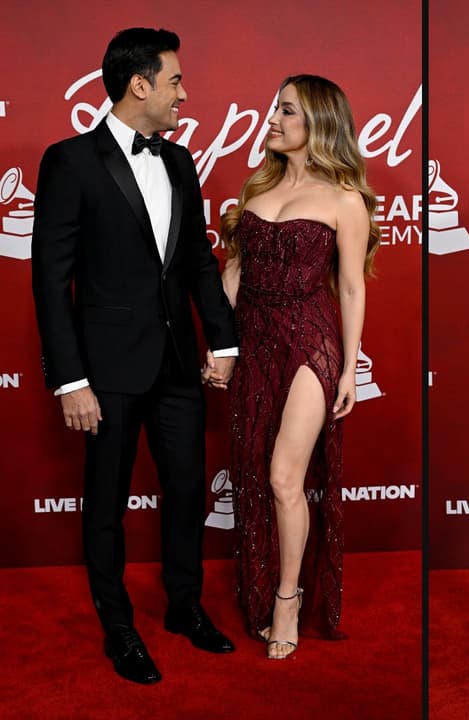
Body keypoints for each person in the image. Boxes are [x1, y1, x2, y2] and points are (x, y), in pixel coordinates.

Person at [31, 27, 239, 685]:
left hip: (179, 362)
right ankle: (117, 628)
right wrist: (70, 379)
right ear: (139, 84)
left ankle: (184, 607)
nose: (185, 92)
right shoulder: (70, 161)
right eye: (175, 80)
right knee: (107, 503)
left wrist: (225, 340)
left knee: (185, 493)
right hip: (105, 372)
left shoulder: (179, 161)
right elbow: (49, 277)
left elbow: (200, 263)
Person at [218, 74, 377, 659]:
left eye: (287, 110)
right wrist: (221, 348)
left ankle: (287, 598)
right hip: (253, 340)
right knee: (254, 473)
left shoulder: (344, 200)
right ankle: (264, 587)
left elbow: (353, 288)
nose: (274, 119)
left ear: (319, 122)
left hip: (310, 341)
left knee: (286, 476)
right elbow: (233, 272)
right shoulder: (255, 188)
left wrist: (349, 368)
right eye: (276, 108)